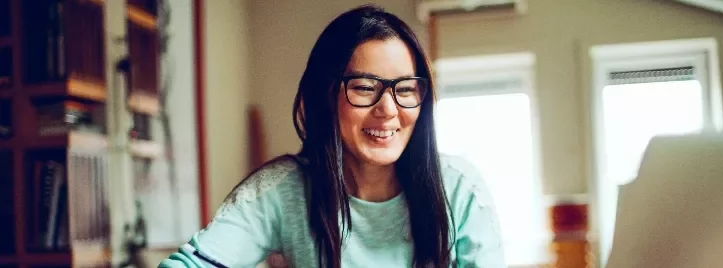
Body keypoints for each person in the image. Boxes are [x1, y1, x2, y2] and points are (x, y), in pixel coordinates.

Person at [159, 4, 504, 268]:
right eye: (365, 87)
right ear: (327, 95)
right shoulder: (284, 191)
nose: (388, 109)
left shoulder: (459, 190)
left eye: (405, 89)